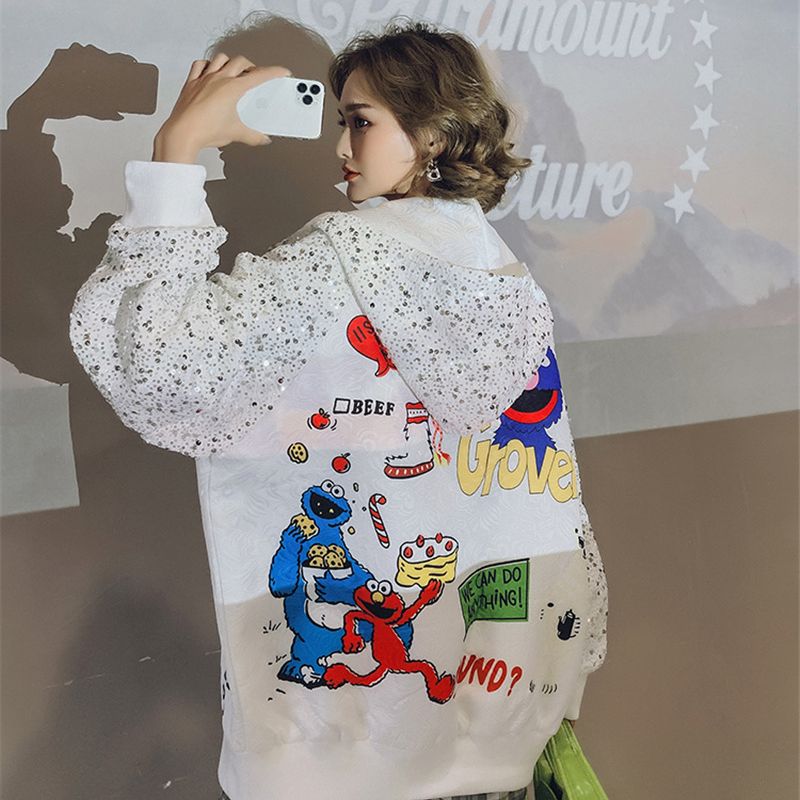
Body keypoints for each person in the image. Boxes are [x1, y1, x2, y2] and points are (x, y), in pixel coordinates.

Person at [69, 17, 607, 800]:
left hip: (343, 743)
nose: (340, 147)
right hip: (497, 707)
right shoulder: (501, 272)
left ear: (431, 132)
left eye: (360, 122)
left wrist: (177, 152)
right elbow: (534, 479)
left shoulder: (337, 263)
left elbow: (165, 365)